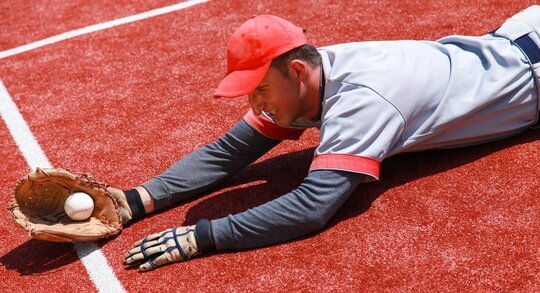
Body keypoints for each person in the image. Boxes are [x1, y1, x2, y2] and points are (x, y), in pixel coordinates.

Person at [114, 7, 540, 272]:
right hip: (517, 38)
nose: (256, 103)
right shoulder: (315, 74)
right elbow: (231, 151)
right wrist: (136, 200)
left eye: (260, 88)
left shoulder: (362, 101)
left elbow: (313, 206)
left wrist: (203, 237)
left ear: (297, 71)